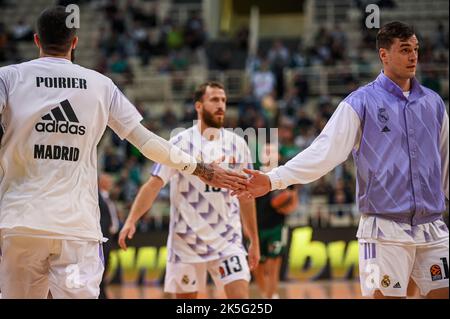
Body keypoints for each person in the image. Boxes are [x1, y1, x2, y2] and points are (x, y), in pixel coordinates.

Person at [0, 6, 246, 299]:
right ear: (75, 42)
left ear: (36, 40)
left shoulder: (8, 77)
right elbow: (148, 143)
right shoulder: (101, 85)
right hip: (76, 232)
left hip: (20, 226)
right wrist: (203, 169)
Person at [236, 21, 449, 299]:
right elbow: (323, 153)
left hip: (432, 226)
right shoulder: (360, 102)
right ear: (384, 55)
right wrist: (273, 179)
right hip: (383, 230)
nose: (413, 57)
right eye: (405, 49)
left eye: (416, 49)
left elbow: (445, 163)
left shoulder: (434, 103)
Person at [119, 82, 260, 299]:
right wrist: (131, 220)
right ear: (198, 106)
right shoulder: (179, 142)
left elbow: (247, 197)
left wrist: (254, 239)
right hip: (186, 242)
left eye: (223, 100)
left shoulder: (238, 144)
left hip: (227, 240)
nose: (221, 105)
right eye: (214, 99)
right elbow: (154, 184)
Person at [252, 143, 297, 299]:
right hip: (257, 226)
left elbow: (293, 199)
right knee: (257, 266)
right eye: (267, 151)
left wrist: (286, 205)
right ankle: (265, 294)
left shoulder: (284, 174)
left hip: (276, 226)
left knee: (274, 264)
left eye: (273, 151)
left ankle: (272, 296)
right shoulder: (254, 174)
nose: (270, 154)